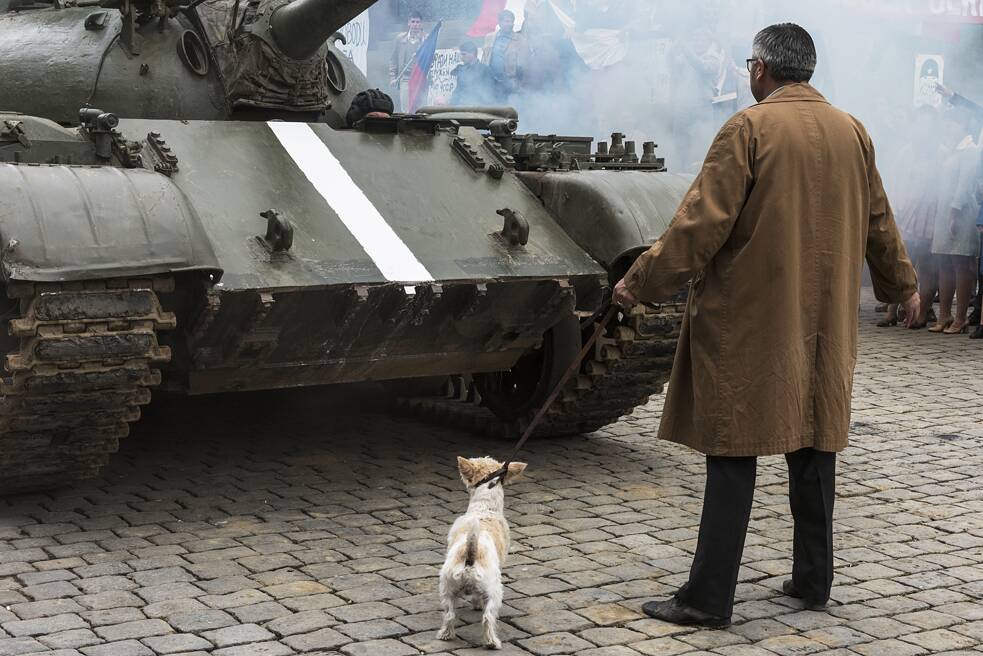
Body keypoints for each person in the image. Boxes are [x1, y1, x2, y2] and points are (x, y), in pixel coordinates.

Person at [612, 24, 918, 627]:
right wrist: (901, 284)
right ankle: (811, 582)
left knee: (732, 448)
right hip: (826, 322)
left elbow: (700, 225)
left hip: (750, 320)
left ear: (760, 69)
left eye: (748, 65)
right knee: (814, 443)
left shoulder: (748, 128)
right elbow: (880, 219)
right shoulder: (851, 129)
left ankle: (706, 599)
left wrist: (640, 281)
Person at [928, 112, 980, 335]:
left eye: (952, 124)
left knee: (961, 264)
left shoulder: (970, 151)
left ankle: (960, 318)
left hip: (960, 212)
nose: (948, 128)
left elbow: (965, 183)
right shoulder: (949, 150)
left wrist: (954, 211)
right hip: (943, 210)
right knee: (944, 262)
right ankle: (944, 315)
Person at [482, 10, 522, 104]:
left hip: (509, 82)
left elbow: (524, 64)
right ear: (499, 23)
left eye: (511, 21)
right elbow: (485, 58)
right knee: (492, 108)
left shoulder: (520, 39)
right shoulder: (490, 37)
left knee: (507, 110)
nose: (510, 24)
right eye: (506, 21)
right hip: (492, 81)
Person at [389, 12, 425, 112]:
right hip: (405, 77)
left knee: (419, 107)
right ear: (408, 23)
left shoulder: (425, 39)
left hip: (419, 78)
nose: (415, 24)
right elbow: (393, 59)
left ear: (421, 24)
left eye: (418, 22)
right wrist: (393, 77)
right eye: (413, 21)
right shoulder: (400, 39)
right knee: (405, 107)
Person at [451, 41, 493, 106]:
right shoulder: (462, 70)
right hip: (461, 108)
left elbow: (489, 93)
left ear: (472, 53)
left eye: (464, 54)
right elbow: (458, 90)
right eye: (461, 54)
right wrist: (451, 103)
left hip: (478, 109)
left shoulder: (485, 70)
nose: (462, 58)